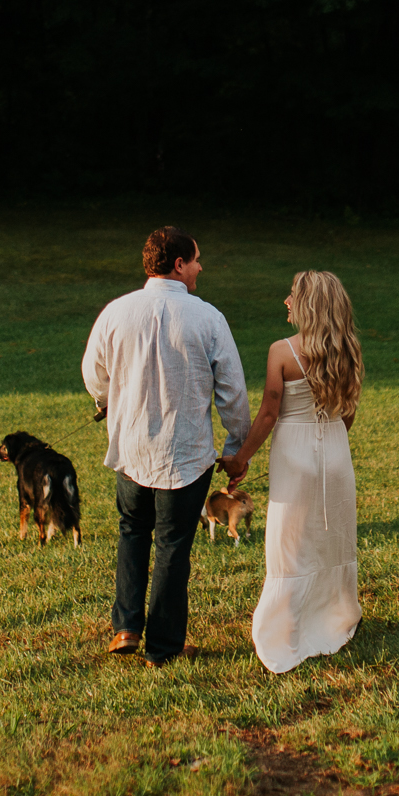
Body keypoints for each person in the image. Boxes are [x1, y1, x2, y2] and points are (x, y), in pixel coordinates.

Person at [81, 226, 250, 668]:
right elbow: (232, 390)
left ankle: (125, 627)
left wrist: (105, 401)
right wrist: (235, 447)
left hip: (131, 447)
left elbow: (92, 373)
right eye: (196, 260)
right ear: (178, 265)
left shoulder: (116, 312)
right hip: (185, 452)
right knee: (173, 546)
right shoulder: (208, 317)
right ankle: (163, 646)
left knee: (132, 532)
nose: (200, 267)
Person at [235, 269, 362, 673]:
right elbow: (349, 412)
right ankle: (336, 614)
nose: (286, 302)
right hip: (337, 453)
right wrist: (330, 440)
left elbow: (270, 412)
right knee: (331, 540)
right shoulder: (349, 348)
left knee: (288, 544)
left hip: (293, 453)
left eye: (292, 296)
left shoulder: (282, 351)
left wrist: (242, 459)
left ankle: (285, 625)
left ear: (308, 303)